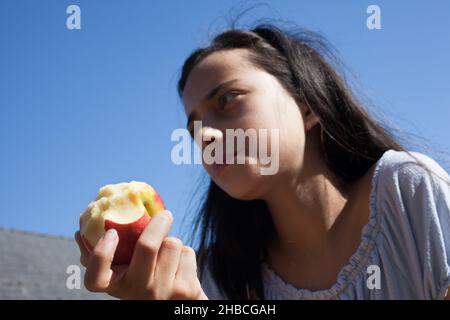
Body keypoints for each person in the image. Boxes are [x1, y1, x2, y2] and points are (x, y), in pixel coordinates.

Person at [75, 24, 450, 300]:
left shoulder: (407, 192)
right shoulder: (215, 280)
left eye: (227, 100)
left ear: (307, 104)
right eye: (194, 128)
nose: (204, 137)